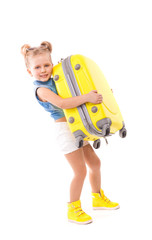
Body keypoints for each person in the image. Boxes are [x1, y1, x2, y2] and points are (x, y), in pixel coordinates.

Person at [21, 41, 120, 225]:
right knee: (80, 171)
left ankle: (97, 197)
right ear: (29, 71)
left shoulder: (57, 79)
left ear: (52, 64)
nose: (43, 70)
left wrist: (102, 94)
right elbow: (64, 103)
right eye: (37, 67)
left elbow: (77, 91)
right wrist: (87, 98)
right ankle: (73, 208)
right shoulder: (42, 89)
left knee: (95, 163)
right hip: (64, 132)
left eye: (46, 65)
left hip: (77, 129)